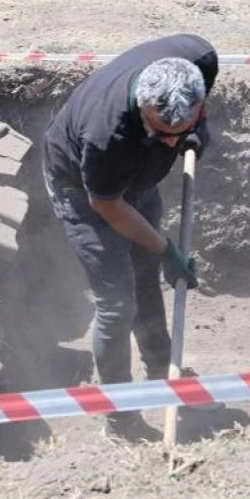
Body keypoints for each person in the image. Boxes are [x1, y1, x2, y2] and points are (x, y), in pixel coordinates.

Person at [42, 34, 217, 441]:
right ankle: (119, 418)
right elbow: (107, 205)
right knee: (117, 303)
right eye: (161, 133)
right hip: (83, 191)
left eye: (180, 131)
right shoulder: (107, 134)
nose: (171, 143)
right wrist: (165, 247)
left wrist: (197, 131)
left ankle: (163, 372)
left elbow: (183, 123)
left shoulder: (199, 58)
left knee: (144, 276)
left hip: (135, 177)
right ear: (142, 107)